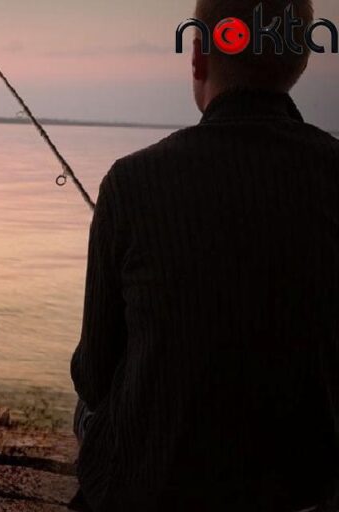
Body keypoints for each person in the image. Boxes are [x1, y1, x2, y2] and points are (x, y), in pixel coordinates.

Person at [69, 0, 339, 510]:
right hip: (303, 487)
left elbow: (94, 375)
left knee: (85, 406)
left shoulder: (131, 183)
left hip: (158, 490)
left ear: (199, 57)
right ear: (301, 60)